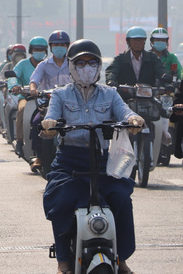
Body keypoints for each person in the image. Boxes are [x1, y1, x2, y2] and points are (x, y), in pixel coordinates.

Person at [41, 39, 144, 274]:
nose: (86, 68)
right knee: (62, 199)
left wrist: (134, 120)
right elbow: (52, 117)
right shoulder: (59, 95)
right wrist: (50, 125)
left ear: (99, 67)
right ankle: (63, 260)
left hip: (105, 162)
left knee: (121, 198)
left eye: (92, 62)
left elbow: (126, 112)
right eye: (80, 63)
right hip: (69, 161)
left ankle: (120, 259)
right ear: (71, 67)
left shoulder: (110, 94)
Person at [26, 31, 72, 171]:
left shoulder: (74, 64)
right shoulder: (43, 65)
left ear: (67, 47)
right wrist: (33, 88)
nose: (59, 48)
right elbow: (34, 80)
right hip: (48, 104)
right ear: (51, 47)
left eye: (62, 45)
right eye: (56, 45)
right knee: (36, 123)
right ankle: (39, 156)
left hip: (70, 104)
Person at [8, 37, 47, 157]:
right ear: (31, 50)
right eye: (36, 49)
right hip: (26, 97)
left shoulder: (48, 64)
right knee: (22, 109)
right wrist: (14, 86)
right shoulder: (23, 64)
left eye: (41, 49)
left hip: (46, 98)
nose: (39, 51)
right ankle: (20, 141)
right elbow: (13, 76)